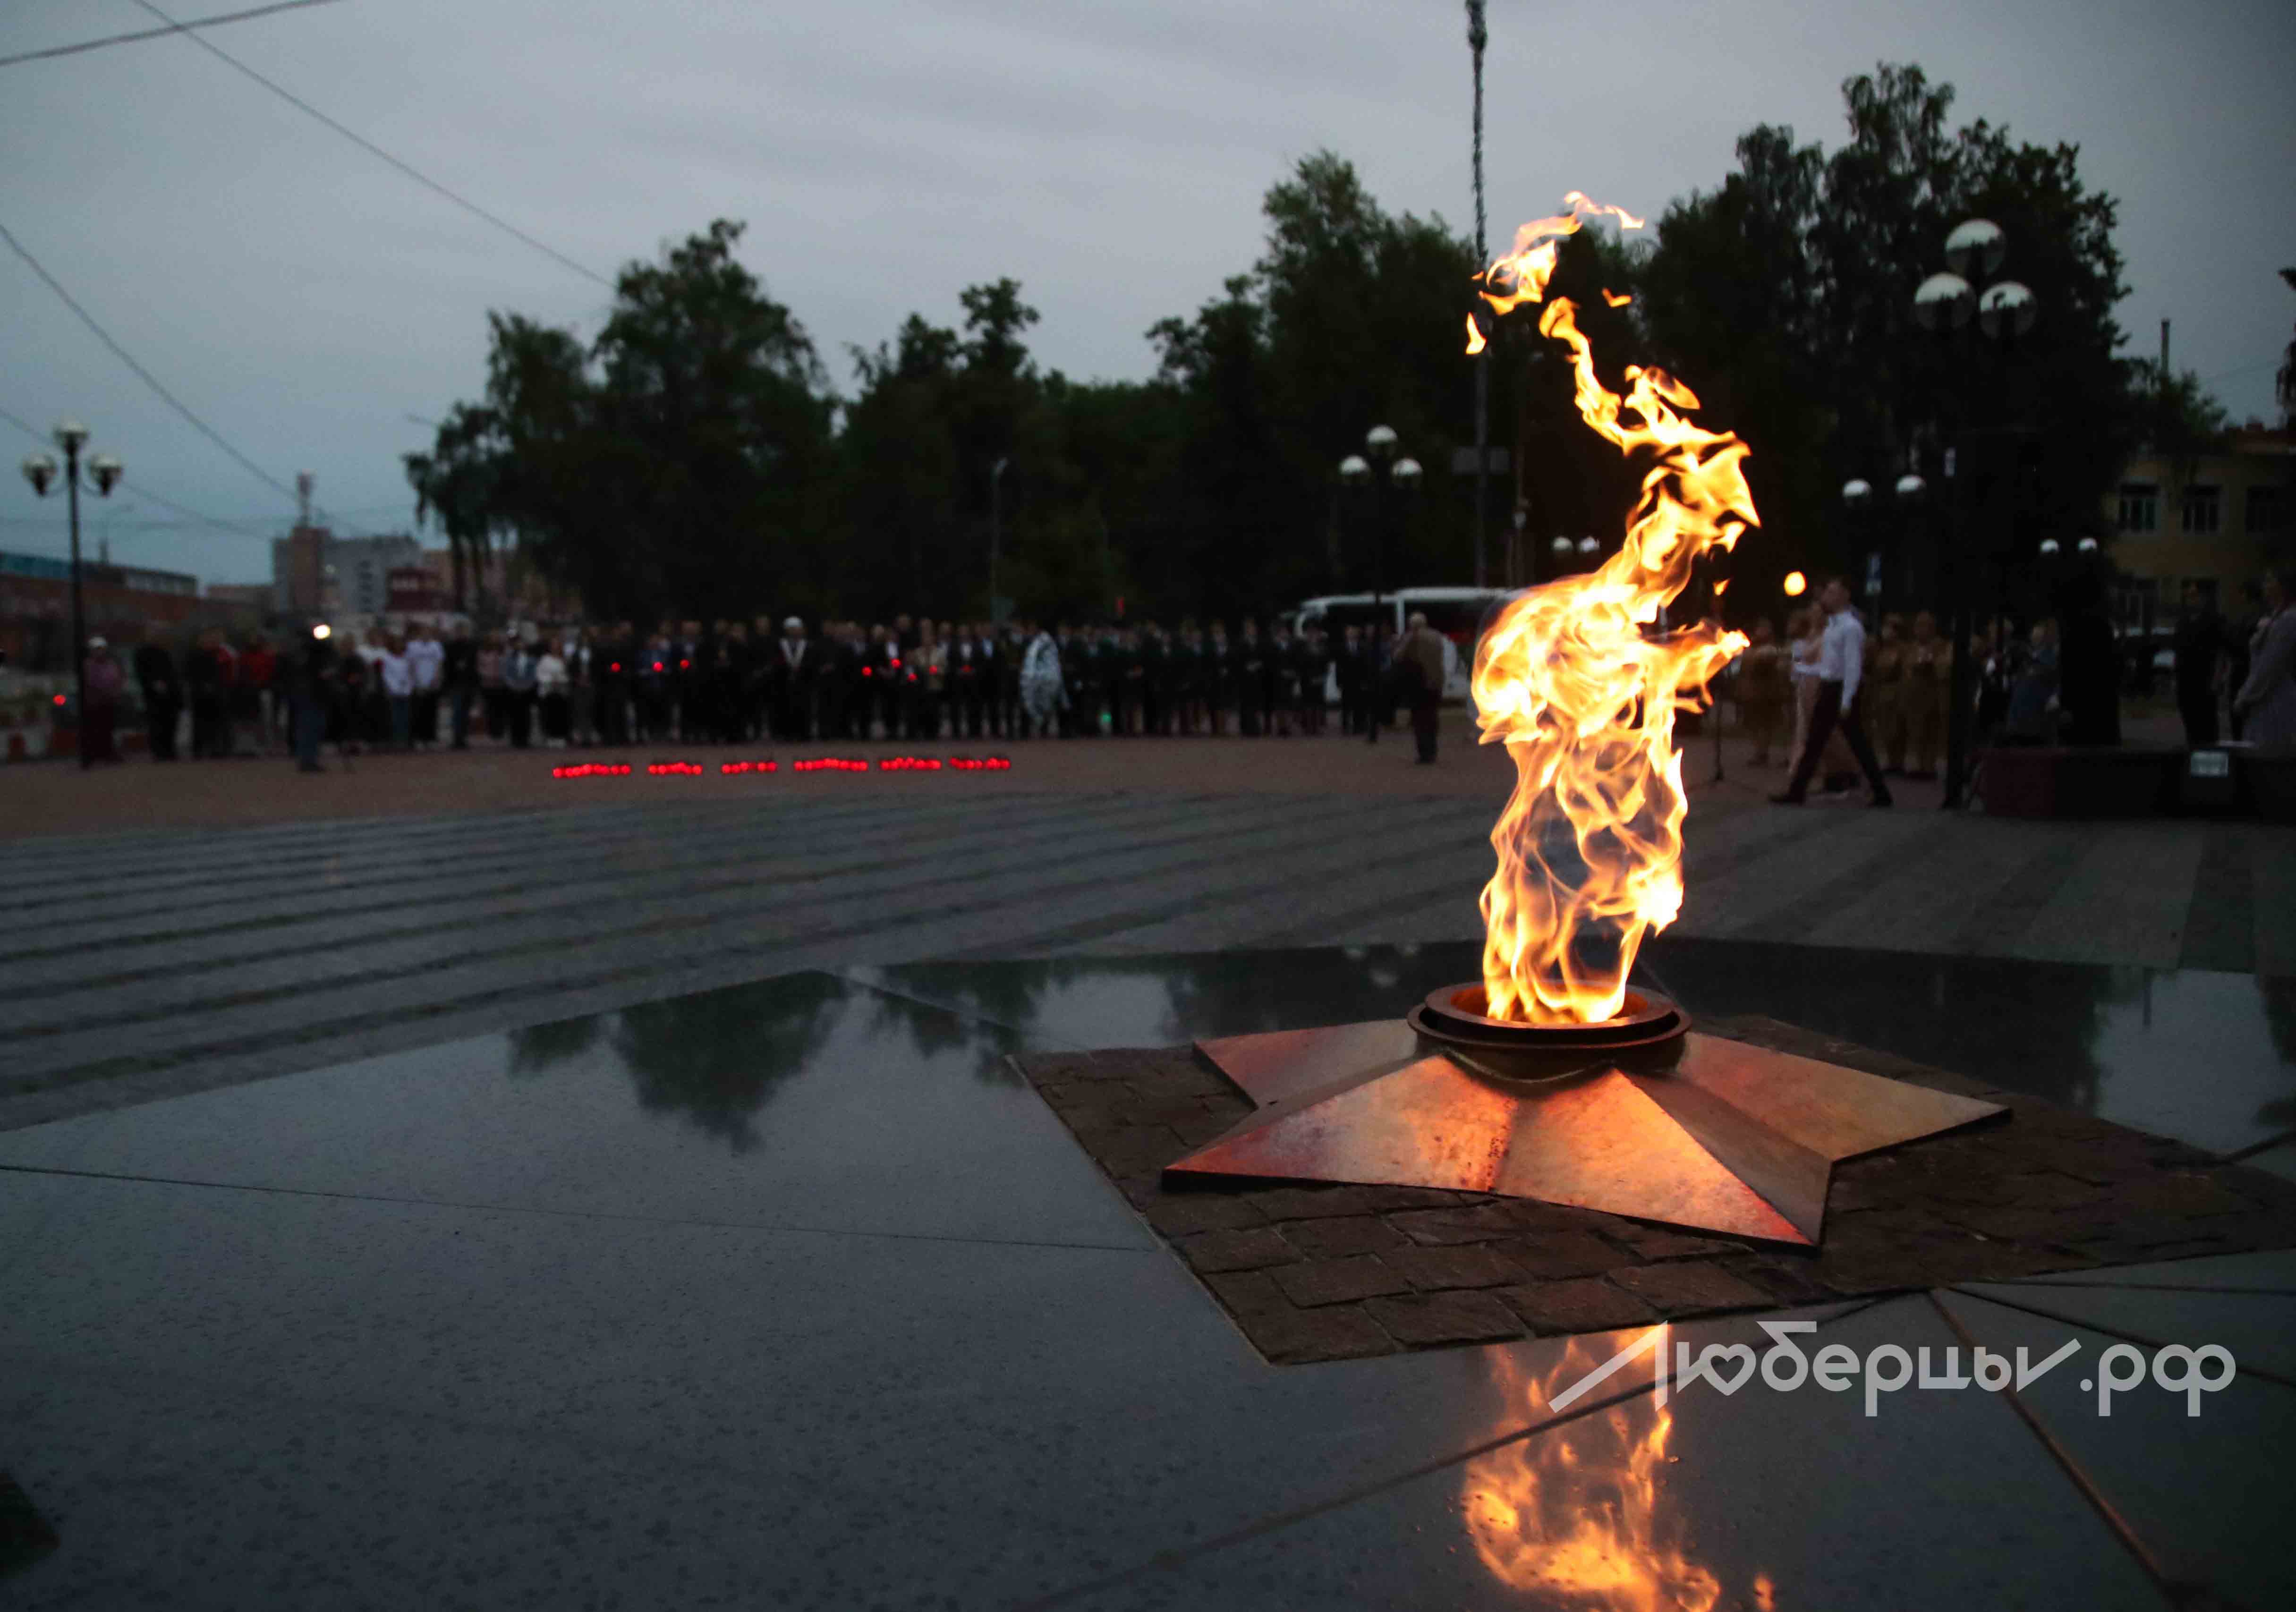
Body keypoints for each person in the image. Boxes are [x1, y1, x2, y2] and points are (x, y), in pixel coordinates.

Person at [1772, 578, 1892, 806]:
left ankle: (1881, 793)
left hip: (1841, 690)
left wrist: (1847, 700)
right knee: (1816, 742)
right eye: (1827, 592)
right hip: (1828, 689)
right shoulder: (1832, 628)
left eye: (1832, 593)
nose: (1827, 597)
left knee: (1857, 743)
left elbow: (1853, 666)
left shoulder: (1851, 628)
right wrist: (1802, 670)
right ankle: (1797, 792)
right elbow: (1828, 666)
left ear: (1845, 596)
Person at [2233, 565, 2296, 746]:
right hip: (2264, 695)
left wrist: (2245, 697)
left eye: (2270, 581)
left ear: (2283, 587)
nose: (2264, 585)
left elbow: (2269, 667)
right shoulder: (2276, 617)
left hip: (2274, 697)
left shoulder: (2288, 620)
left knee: (2268, 749)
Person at [2172, 584, 2226, 748]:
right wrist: (2175, 678)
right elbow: (2178, 651)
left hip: (2205, 680)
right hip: (2185, 681)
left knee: (2207, 726)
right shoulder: (2182, 622)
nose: (2191, 599)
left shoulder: (2215, 621)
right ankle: (2193, 751)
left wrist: (2217, 679)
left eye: (2195, 595)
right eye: (2188, 596)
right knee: (2190, 723)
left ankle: (2209, 754)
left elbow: (2221, 651)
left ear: (2204, 598)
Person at [1735, 617, 1789, 766]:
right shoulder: (1748, 648)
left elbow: (1776, 666)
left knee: (1768, 723)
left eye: (1766, 628)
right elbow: (1742, 669)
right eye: (1761, 628)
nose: (1763, 631)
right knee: (1753, 723)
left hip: (1767, 692)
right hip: (1751, 692)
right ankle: (1759, 751)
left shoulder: (1772, 649)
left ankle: (1768, 753)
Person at [1395, 611, 1448, 763]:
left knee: (1420, 720)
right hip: (1436, 682)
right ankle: (1433, 751)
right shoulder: (1436, 636)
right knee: (1432, 718)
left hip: (1419, 683)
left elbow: (1399, 655)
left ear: (1413, 625)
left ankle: (1424, 753)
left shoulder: (1413, 637)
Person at [1902, 611, 1949, 779]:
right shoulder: (1911, 647)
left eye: (1925, 626)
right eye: (1918, 626)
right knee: (1915, 731)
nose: (1920, 630)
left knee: (1930, 731)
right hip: (1913, 696)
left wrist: (1929, 665)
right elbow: (1907, 667)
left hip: (1932, 695)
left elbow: (1942, 667)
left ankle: (1929, 767)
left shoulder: (1940, 646)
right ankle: (1917, 765)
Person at [134, 636, 182, 761]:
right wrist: (153, 684)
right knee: (156, 725)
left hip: (172, 695)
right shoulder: (143, 654)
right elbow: (141, 673)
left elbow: (175, 673)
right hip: (153, 696)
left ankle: (170, 750)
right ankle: (159, 752)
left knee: (171, 724)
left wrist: (172, 686)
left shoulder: (170, 652)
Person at [78, 636, 123, 764]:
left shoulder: (111, 664)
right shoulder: (88, 665)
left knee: (108, 728)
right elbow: (90, 682)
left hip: (109, 700)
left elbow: (117, 679)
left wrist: (115, 692)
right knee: (96, 728)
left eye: (102, 649)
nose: (100, 652)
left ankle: (107, 753)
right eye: (97, 649)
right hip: (95, 701)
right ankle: (96, 753)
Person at [1020, 618, 1066, 737]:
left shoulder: (1047, 642)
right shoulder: (1027, 642)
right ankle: (1025, 730)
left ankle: (1044, 728)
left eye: (1034, 627)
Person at [406, 623, 443, 748]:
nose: (426, 634)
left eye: (428, 632)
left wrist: (436, 678)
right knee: (418, 712)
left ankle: (429, 738)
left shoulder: (436, 646)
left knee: (431, 712)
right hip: (418, 683)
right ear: (419, 633)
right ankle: (417, 738)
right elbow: (410, 665)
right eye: (423, 632)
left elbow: (439, 663)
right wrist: (414, 681)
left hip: (432, 683)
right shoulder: (412, 646)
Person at [378, 632, 414, 749]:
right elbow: (386, 675)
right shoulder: (388, 658)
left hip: (406, 691)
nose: (399, 646)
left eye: (401, 643)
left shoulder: (407, 658)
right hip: (394, 691)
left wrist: (408, 686)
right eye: (397, 643)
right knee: (395, 718)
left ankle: (405, 740)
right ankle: (395, 740)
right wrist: (393, 687)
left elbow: (410, 674)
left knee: (405, 717)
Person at [502, 634, 538, 748]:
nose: (520, 645)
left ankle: (525, 739)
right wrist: (514, 686)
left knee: (526, 715)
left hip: (527, 691)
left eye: (522, 643)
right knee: (514, 715)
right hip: (513, 691)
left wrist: (527, 686)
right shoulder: (509, 658)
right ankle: (515, 739)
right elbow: (506, 674)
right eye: (518, 643)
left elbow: (533, 675)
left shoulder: (531, 658)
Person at [535, 638, 570, 746]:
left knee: (561, 715)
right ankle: (550, 737)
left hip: (561, 691)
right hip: (548, 691)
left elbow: (568, 674)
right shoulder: (545, 660)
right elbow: (539, 674)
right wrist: (551, 680)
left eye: (557, 645)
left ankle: (560, 737)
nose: (555, 647)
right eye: (553, 645)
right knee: (549, 715)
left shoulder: (564, 659)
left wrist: (560, 680)